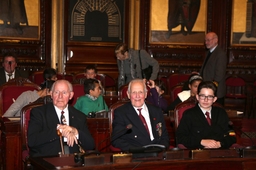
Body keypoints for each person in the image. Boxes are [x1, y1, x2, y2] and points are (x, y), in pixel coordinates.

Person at [28, 80, 95, 157]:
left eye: (64, 93)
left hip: (73, 162)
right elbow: (32, 141)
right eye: (56, 92)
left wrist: (75, 132)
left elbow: (91, 145)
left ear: (70, 95)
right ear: (51, 94)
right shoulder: (39, 113)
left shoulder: (79, 116)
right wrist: (60, 131)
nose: (60, 96)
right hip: (48, 160)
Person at [111, 79, 169, 151]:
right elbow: (116, 139)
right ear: (128, 94)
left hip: (157, 153)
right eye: (134, 92)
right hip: (135, 155)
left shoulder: (156, 111)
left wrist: (161, 148)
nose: (137, 96)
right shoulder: (121, 113)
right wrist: (136, 151)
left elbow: (164, 136)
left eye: (140, 92)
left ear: (145, 94)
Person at [176, 81, 236, 149]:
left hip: (220, 151)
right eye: (202, 96)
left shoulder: (221, 112)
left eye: (210, 97)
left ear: (215, 99)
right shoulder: (189, 114)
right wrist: (201, 142)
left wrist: (220, 144)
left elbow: (231, 135)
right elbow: (180, 137)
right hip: (198, 152)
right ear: (197, 97)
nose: (206, 100)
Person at [200, 32, 227, 106]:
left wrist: (211, 88)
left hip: (215, 91)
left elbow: (219, 74)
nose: (206, 42)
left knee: (216, 113)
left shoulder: (220, 54)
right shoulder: (209, 52)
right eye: (205, 40)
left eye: (208, 40)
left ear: (216, 40)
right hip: (208, 89)